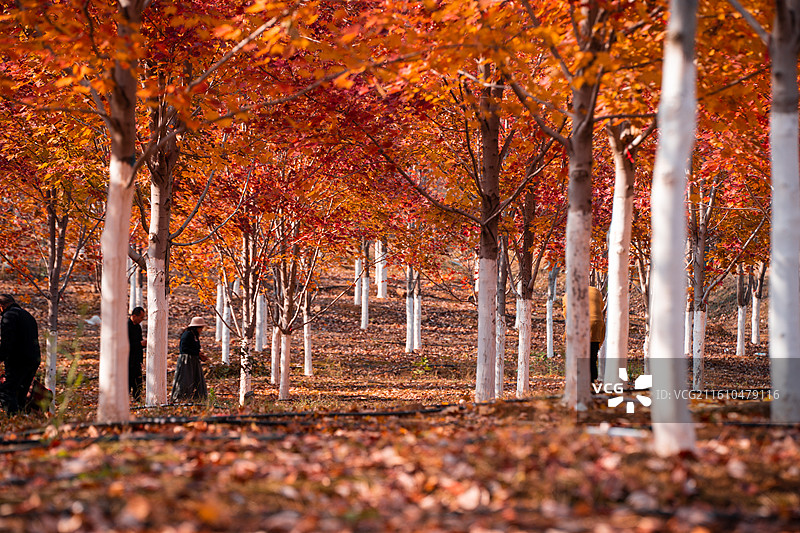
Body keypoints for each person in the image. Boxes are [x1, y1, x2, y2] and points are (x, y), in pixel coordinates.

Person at [0, 294, 42, 414]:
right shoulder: (27, 315)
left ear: (1, 306)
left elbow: (7, 342)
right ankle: (21, 417)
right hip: (33, 359)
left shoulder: (9, 316)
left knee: (7, 392)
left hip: (18, 360)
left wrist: (1, 357)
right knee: (21, 393)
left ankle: (13, 418)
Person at [562, 286, 606, 382]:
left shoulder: (568, 294)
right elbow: (601, 307)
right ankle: (591, 380)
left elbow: (566, 313)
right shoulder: (596, 291)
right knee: (592, 353)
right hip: (595, 324)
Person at [171, 316, 208, 403]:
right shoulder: (187, 335)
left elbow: (195, 348)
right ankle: (181, 398)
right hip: (186, 361)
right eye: (200, 328)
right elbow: (184, 349)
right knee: (185, 379)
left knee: (196, 379)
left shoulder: (195, 335)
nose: (201, 330)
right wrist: (197, 353)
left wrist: (200, 355)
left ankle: (197, 399)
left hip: (194, 361)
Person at [128, 307, 146, 402]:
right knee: (127, 381)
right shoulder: (126, 326)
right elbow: (125, 345)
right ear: (134, 316)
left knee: (138, 382)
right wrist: (140, 344)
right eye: (141, 317)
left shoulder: (138, 327)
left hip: (136, 360)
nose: (142, 320)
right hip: (127, 360)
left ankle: (137, 398)